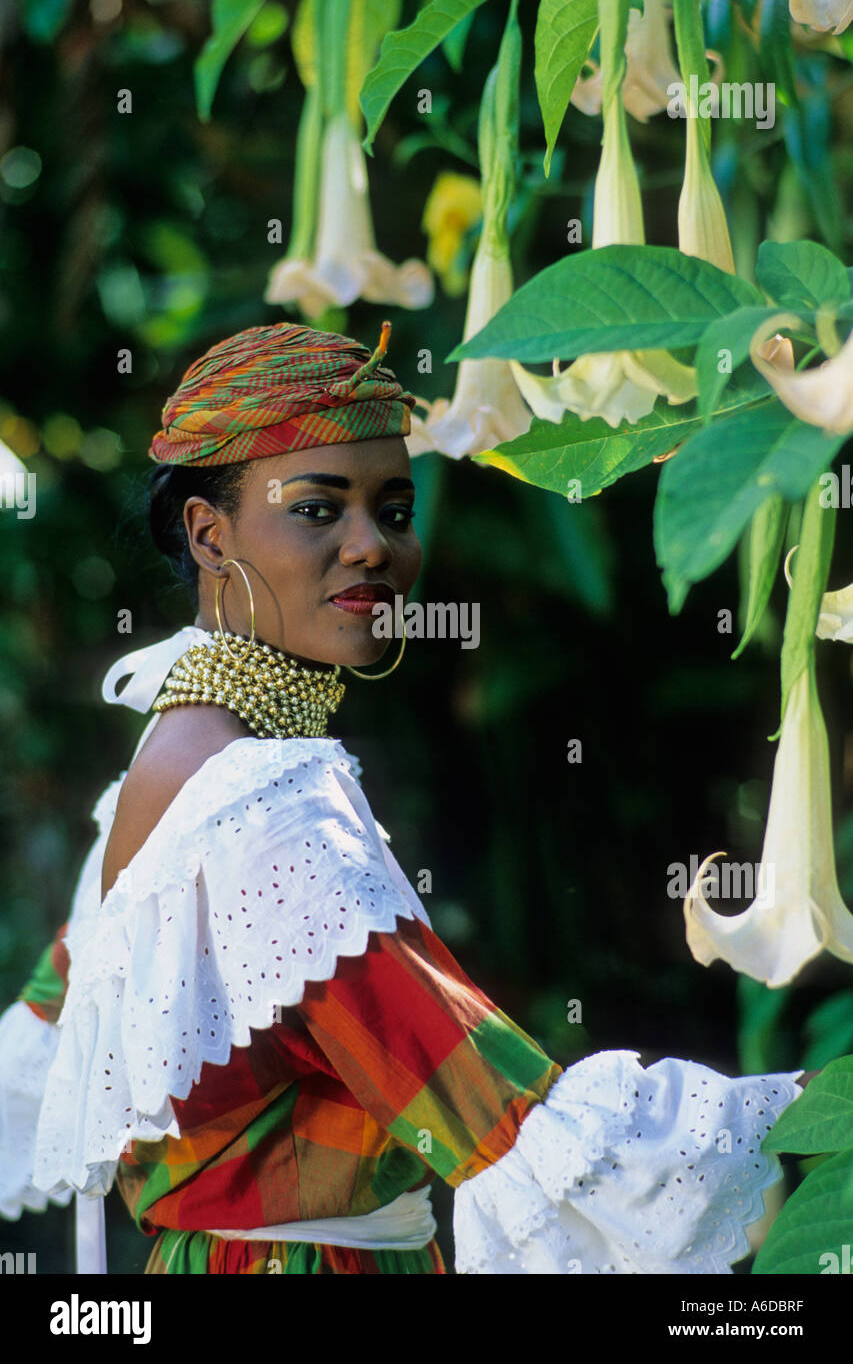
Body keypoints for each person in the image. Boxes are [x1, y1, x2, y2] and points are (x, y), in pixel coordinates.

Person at [0, 320, 811, 1276]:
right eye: (316, 509)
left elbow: (59, 1014)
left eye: (393, 509)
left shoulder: (179, 751)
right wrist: (819, 1123)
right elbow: (497, 1122)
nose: (372, 547)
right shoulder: (262, 800)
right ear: (209, 536)